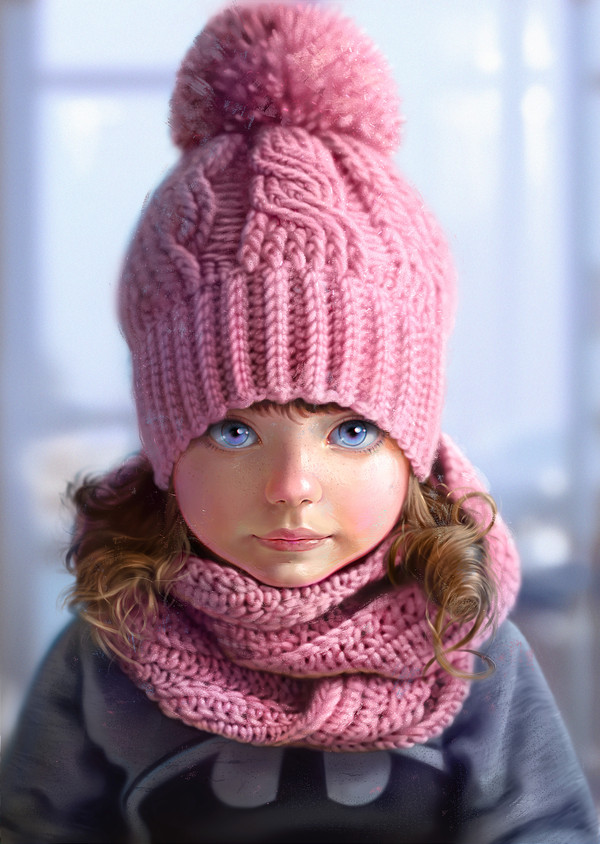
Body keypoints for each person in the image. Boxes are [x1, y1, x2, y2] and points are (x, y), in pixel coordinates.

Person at [2, 3, 598, 843]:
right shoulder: (108, 654)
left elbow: (549, 827)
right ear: (167, 450)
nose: (290, 489)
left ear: (414, 454)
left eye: (350, 431)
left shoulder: (469, 645)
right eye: (235, 433)